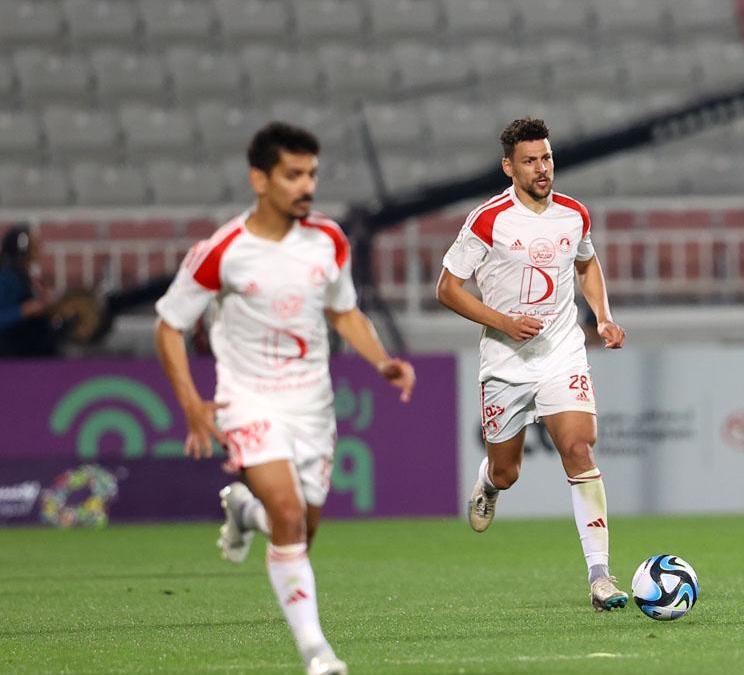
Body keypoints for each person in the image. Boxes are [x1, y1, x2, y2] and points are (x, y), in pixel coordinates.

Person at [154, 122, 416, 674]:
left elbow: (343, 311)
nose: (306, 185)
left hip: (312, 406)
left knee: (297, 527)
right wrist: (192, 405)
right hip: (249, 401)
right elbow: (169, 325)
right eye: (292, 175)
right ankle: (317, 653)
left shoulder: (328, 240)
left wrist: (382, 361)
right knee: (290, 512)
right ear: (260, 179)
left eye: (312, 174)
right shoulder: (222, 251)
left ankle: (243, 511)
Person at [435, 117, 629, 611]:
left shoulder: (573, 215)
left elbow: (586, 263)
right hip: (505, 361)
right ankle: (488, 483)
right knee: (509, 470)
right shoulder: (488, 220)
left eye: (546, 158)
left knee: (580, 449)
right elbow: (447, 289)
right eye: (530, 161)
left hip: (562, 352)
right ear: (508, 167)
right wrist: (502, 320)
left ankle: (601, 577)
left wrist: (603, 317)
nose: (542, 169)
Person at [0, 224, 56, 357]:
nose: (39, 249)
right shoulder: (6, 278)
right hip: (11, 349)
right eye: (34, 246)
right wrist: (24, 310)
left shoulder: (26, 276)